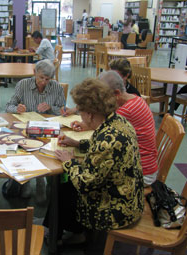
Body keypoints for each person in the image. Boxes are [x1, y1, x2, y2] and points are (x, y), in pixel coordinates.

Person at [47, 78, 144, 253]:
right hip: (129, 195)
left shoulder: (107, 141)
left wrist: (69, 162)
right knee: (66, 187)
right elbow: (100, 143)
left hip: (117, 209)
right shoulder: (118, 121)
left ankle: (59, 238)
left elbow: (86, 184)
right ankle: (72, 233)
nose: (81, 117)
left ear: (90, 114)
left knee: (66, 188)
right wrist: (77, 144)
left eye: (81, 112)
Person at [5, 59, 65, 200]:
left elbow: (63, 112)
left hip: (47, 131)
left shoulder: (57, 87)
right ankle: (27, 180)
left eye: (47, 79)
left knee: (46, 147)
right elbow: (8, 106)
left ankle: (40, 182)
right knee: (24, 145)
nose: (44, 82)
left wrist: (51, 108)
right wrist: (17, 109)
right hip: (26, 129)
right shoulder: (23, 84)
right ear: (34, 73)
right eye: (41, 78)